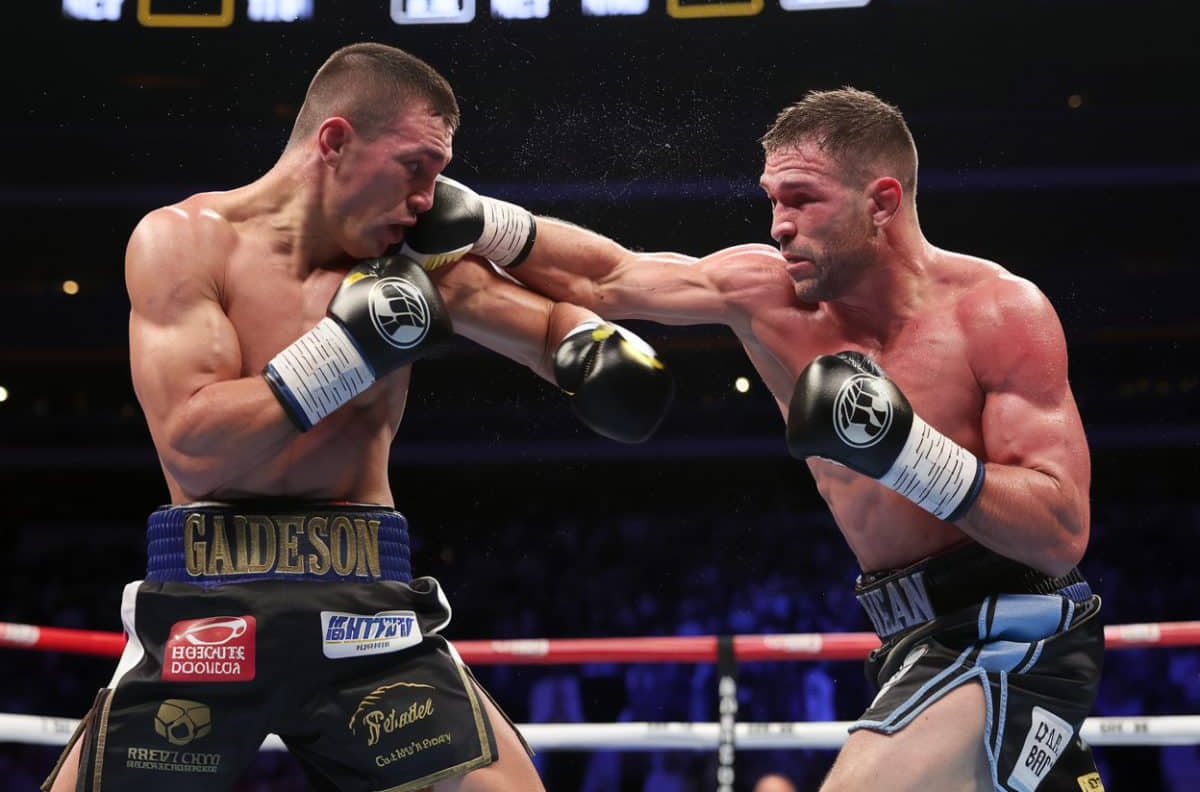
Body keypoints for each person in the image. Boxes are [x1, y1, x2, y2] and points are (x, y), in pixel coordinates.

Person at [421, 88, 1105, 791]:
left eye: (802, 199)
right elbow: (609, 277)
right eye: (773, 200)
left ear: (882, 201)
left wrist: (906, 451)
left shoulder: (997, 311)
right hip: (910, 635)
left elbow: (1059, 531)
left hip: (1019, 631)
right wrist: (479, 221)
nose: (779, 225)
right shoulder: (769, 295)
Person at [43, 42, 673, 792]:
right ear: (335, 142)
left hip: (365, 608)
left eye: (439, 175)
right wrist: (349, 349)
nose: (428, 199)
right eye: (416, 167)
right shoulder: (185, 242)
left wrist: (587, 347)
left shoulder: (413, 265)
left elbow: (547, 326)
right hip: (205, 608)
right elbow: (195, 446)